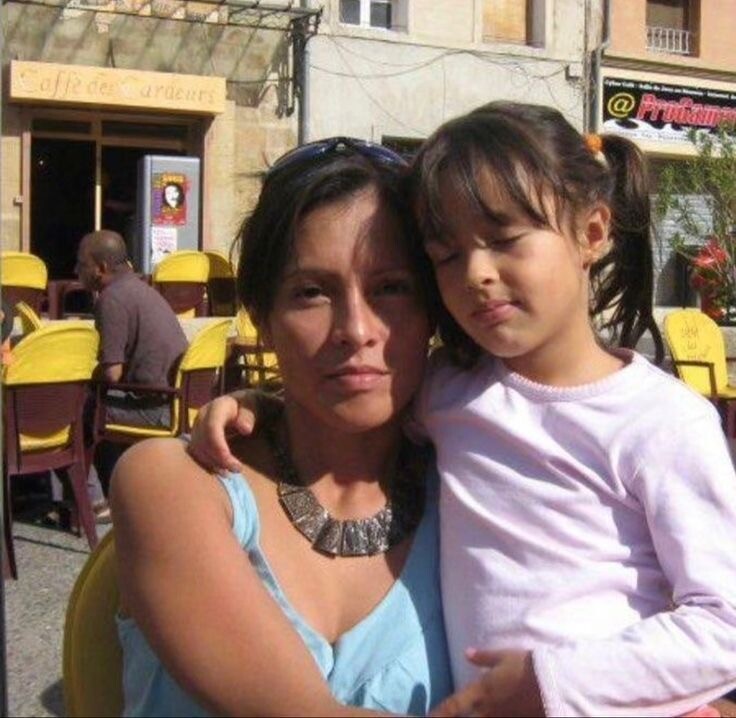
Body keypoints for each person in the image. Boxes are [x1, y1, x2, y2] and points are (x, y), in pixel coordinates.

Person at [190, 104, 736, 716]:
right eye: (446, 255)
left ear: (591, 233)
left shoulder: (664, 422)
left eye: (503, 240)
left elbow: (725, 626)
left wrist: (550, 682)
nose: (476, 273)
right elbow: (344, 401)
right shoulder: (449, 391)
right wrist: (256, 404)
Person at [109, 139, 453, 716]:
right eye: (311, 292)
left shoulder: (476, 492)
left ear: (432, 311)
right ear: (263, 318)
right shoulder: (176, 481)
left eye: (391, 287)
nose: (356, 329)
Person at [76, 230, 188, 498]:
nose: (75, 270)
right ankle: (117, 489)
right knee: (98, 403)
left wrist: (79, 376)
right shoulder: (142, 289)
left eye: (81, 264)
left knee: (72, 412)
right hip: (176, 402)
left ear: (101, 268)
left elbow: (112, 374)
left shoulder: (111, 299)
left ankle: (91, 501)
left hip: (153, 408)